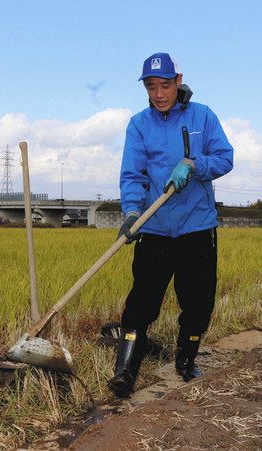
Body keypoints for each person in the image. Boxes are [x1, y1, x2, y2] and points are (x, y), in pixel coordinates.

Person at [107, 52, 234, 398]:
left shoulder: (202, 116)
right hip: (155, 228)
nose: (159, 93)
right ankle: (125, 371)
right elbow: (132, 175)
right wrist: (132, 213)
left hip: (196, 227)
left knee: (197, 303)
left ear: (178, 82)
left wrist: (194, 164)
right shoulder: (138, 125)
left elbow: (226, 158)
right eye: (151, 86)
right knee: (141, 303)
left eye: (165, 85)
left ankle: (185, 359)